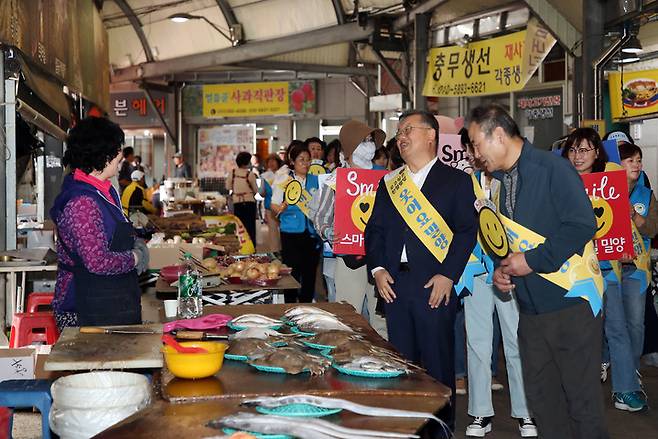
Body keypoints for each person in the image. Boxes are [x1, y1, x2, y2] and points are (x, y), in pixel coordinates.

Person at [467, 104, 607, 439]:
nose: (474, 154)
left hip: (572, 304)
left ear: (497, 135)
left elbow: (581, 224)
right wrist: (505, 271)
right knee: (544, 405)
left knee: (582, 404)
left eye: (475, 144)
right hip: (529, 312)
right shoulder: (497, 184)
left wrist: (531, 261)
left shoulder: (552, 168)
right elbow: (507, 244)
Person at [366, 110, 478, 430]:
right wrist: (376, 269)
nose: (400, 137)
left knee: (438, 364)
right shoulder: (390, 183)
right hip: (395, 284)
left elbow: (467, 231)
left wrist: (448, 275)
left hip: (434, 284)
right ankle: (409, 430)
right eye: (399, 132)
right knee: (402, 367)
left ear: (431, 136)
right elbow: (374, 231)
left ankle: (441, 430)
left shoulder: (456, 180)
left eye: (408, 130)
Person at [462, 131, 536, 437]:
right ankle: (480, 412)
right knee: (477, 343)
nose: (477, 153)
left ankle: (525, 412)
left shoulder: (515, 180)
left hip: (510, 271)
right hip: (477, 271)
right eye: (473, 148)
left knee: (517, 342)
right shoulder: (464, 182)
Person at [50, 117, 149, 330]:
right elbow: (96, 261)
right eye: (116, 149)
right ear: (101, 154)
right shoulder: (82, 202)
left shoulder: (105, 190)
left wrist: (136, 240)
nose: (120, 155)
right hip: (84, 307)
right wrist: (135, 257)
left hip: (113, 299)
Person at [309, 120, 388, 338]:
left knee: (382, 319)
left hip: (381, 257)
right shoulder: (336, 178)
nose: (369, 145)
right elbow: (320, 215)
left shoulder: (385, 178)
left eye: (371, 141)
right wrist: (329, 232)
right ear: (351, 146)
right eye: (364, 141)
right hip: (349, 259)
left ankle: (385, 362)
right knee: (347, 317)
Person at [271, 142, 321, 303]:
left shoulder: (317, 180)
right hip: (290, 233)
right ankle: (290, 305)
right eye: (301, 160)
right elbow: (274, 204)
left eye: (308, 160)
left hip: (312, 233)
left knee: (310, 272)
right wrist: (282, 208)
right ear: (292, 162)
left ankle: (306, 304)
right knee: (292, 272)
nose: (306, 163)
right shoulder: (285, 181)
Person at [228, 151, 259, 245]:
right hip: (249, 202)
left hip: (237, 202)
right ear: (247, 162)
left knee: (239, 226)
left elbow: (228, 187)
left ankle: (241, 246)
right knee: (250, 227)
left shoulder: (232, 173)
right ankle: (251, 247)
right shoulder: (250, 174)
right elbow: (256, 190)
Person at [260, 154, 284, 253]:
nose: (272, 163)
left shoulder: (284, 174)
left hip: (283, 207)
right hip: (270, 207)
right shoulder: (265, 176)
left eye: (274, 161)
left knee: (283, 231)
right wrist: (263, 191)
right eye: (269, 161)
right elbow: (261, 192)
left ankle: (284, 251)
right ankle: (275, 253)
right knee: (273, 233)